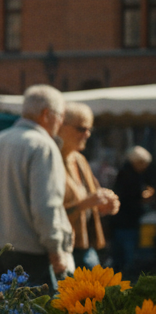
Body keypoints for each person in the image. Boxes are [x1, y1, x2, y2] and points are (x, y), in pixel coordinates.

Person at [0, 85, 74, 291]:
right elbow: (46, 206)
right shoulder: (43, 146)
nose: (61, 123)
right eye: (61, 116)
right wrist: (56, 250)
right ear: (46, 114)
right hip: (29, 255)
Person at [60, 103, 119, 270]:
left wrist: (107, 201)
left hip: (86, 246)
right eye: (81, 128)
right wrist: (84, 204)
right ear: (61, 127)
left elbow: (95, 194)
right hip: (62, 248)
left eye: (89, 129)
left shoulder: (79, 159)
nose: (87, 134)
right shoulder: (50, 159)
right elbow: (44, 210)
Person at [112, 146, 156, 277]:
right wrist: (143, 199)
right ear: (137, 162)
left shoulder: (127, 173)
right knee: (130, 262)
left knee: (121, 260)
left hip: (121, 224)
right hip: (127, 224)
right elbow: (129, 199)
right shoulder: (128, 175)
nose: (145, 167)